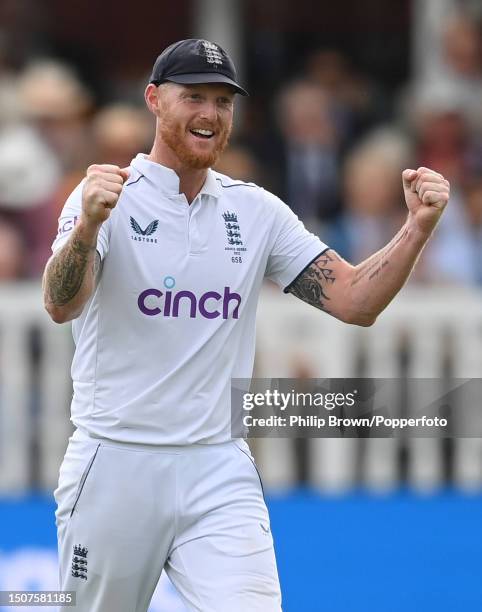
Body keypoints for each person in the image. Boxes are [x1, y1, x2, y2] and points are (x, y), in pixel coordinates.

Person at [42, 38, 450, 612]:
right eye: (194, 97)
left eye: (222, 101)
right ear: (154, 100)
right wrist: (87, 226)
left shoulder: (256, 211)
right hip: (116, 460)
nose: (210, 114)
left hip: (217, 464)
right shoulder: (105, 197)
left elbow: (356, 301)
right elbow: (61, 305)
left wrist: (417, 227)